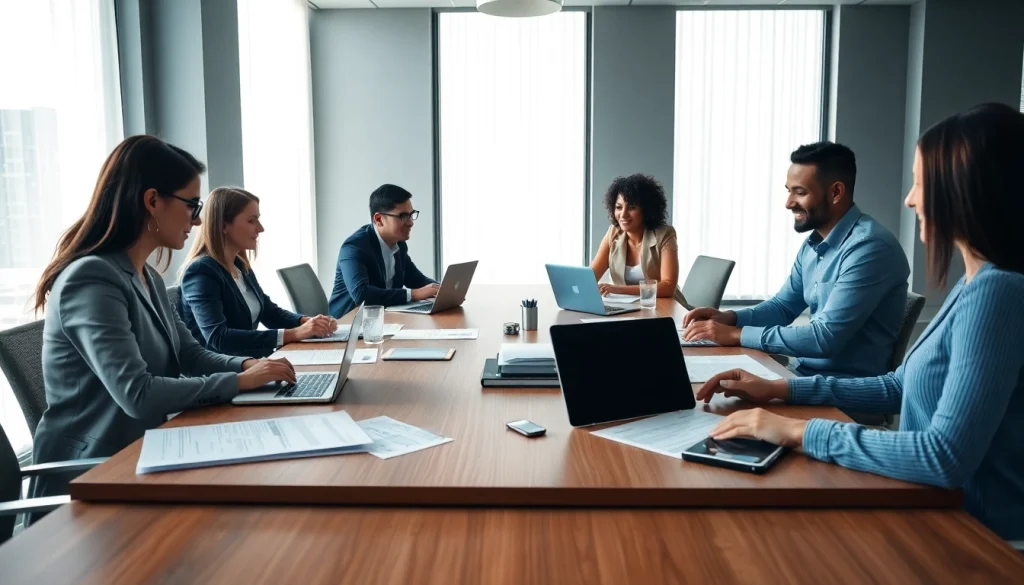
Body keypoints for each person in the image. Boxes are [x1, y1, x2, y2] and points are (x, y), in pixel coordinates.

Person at [695, 104, 1024, 541]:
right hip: (930, 510)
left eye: (921, 184)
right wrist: (780, 389)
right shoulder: (973, 284)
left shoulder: (998, 291)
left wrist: (797, 430)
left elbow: (943, 455)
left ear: (967, 191)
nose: (909, 199)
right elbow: (895, 386)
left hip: (976, 541)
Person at [30, 135, 297, 499]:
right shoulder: (91, 278)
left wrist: (250, 366)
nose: (199, 218)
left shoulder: (147, 276)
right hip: (94, 472)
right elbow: (137, 394)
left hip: (149, 450)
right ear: (153, 201)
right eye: (192, 204)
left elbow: (192, 354)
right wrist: (240, 382)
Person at [683, 142, 910, 379]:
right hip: (802, 373)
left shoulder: (870, 248)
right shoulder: (814, 243)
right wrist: (730, 318)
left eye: (800, 192)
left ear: (836, 192)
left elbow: (824, 339)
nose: (788, 202)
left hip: (842, 391)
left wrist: (735, 334)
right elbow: (783, 306)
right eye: (788, 190)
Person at [179, 187, 337, 358]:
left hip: (252, 363)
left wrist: (305, 322)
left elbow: (268, 312)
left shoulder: (239, 265)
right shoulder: (201, 272)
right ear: (224, 225)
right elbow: (218, 337)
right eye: (251, 221)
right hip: (226, 374)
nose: (260, 228)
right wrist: (295, 333)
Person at [328, 184, 438, 318]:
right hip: (350, 325)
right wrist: (413, 294)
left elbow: (415, 279)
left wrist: (440, 289)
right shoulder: (354, 248)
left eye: (411, 215)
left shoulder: (399, 244)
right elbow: (361, 295)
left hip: (383, 319)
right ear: (379, 219)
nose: (410, 223)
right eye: (403, 216)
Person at [589, 174, 680, 300]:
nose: (623, 214)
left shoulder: (665, 234)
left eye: (631, 207)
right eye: (619, 207)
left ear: (646, 209)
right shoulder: (613, 233)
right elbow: (591, 278)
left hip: (664, 308)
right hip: (629, 308)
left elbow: (668, 286)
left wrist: (618, 290)